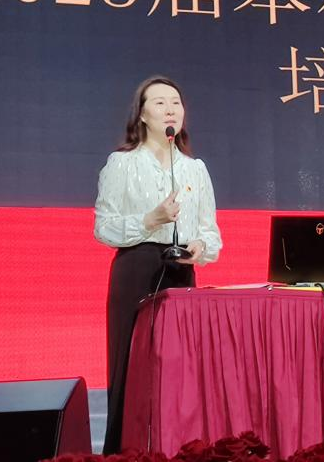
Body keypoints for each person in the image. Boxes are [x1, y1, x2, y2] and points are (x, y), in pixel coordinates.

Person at [94, 76, 223, 454]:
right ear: (142, 115)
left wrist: (201, 246)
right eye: (160, 103)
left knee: (180, 368)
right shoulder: (122, 164)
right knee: (131, 365)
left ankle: (181, 447)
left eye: (176, 103)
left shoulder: (195, 169)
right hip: (136, 268)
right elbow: (103, 228)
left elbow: (211, 232)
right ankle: (124, 451)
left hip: (181, 270)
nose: (170, 110)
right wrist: (150, 219)